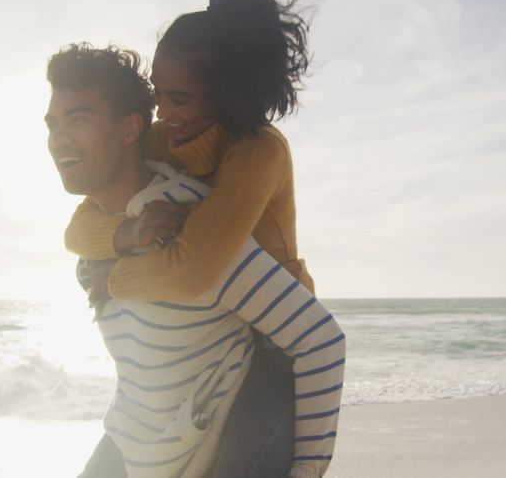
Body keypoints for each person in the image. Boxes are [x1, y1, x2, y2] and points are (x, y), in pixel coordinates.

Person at [45, 43, 344, 478]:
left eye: (78, 119)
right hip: (133, 442)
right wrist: (117, 242)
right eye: (53, 123)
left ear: (130, 129)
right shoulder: (101, 226)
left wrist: (306, 473)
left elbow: (321, 340)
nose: (59, 138)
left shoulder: (187, 226)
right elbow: (78, 242)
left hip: (211, 439)